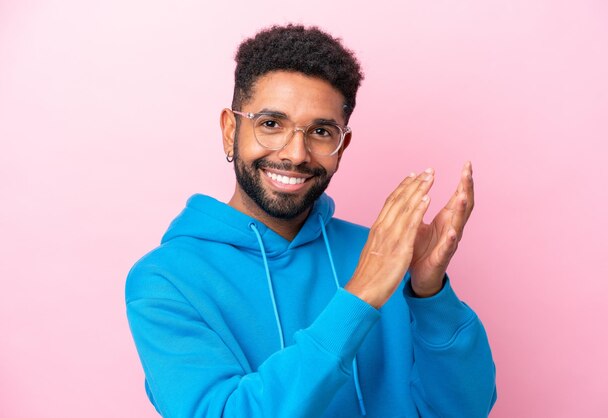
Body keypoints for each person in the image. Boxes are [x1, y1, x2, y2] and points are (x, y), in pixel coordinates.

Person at [126, 24, 497, 418]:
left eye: (321, 131)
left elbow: (465, 409)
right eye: (271, 124)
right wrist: (360, 297)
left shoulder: (386, 254)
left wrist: (430, 295)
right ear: (230, 130)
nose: (297, 153)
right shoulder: (164, 281)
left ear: (342, 145)